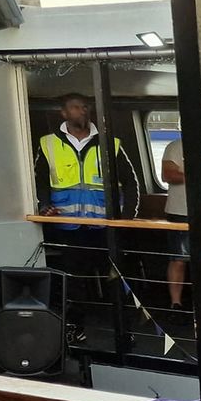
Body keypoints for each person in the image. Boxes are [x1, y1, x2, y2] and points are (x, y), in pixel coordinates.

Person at [33, 92, 143, 283]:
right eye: (76, 107)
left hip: (105, 225)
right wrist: (44, 205)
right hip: (66, 226)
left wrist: (126, 218)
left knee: (112, 277)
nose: (82, 111)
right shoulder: (48, 143)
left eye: (85, 107)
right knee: (74, 277)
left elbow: (131, 182)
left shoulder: (110, 143)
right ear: (64, 113)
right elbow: (39, 181)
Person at [160, 136, 189, 307]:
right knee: (178, 259)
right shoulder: (176, 146)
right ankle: (176, 303)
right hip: (179, 212)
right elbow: (168, 174)